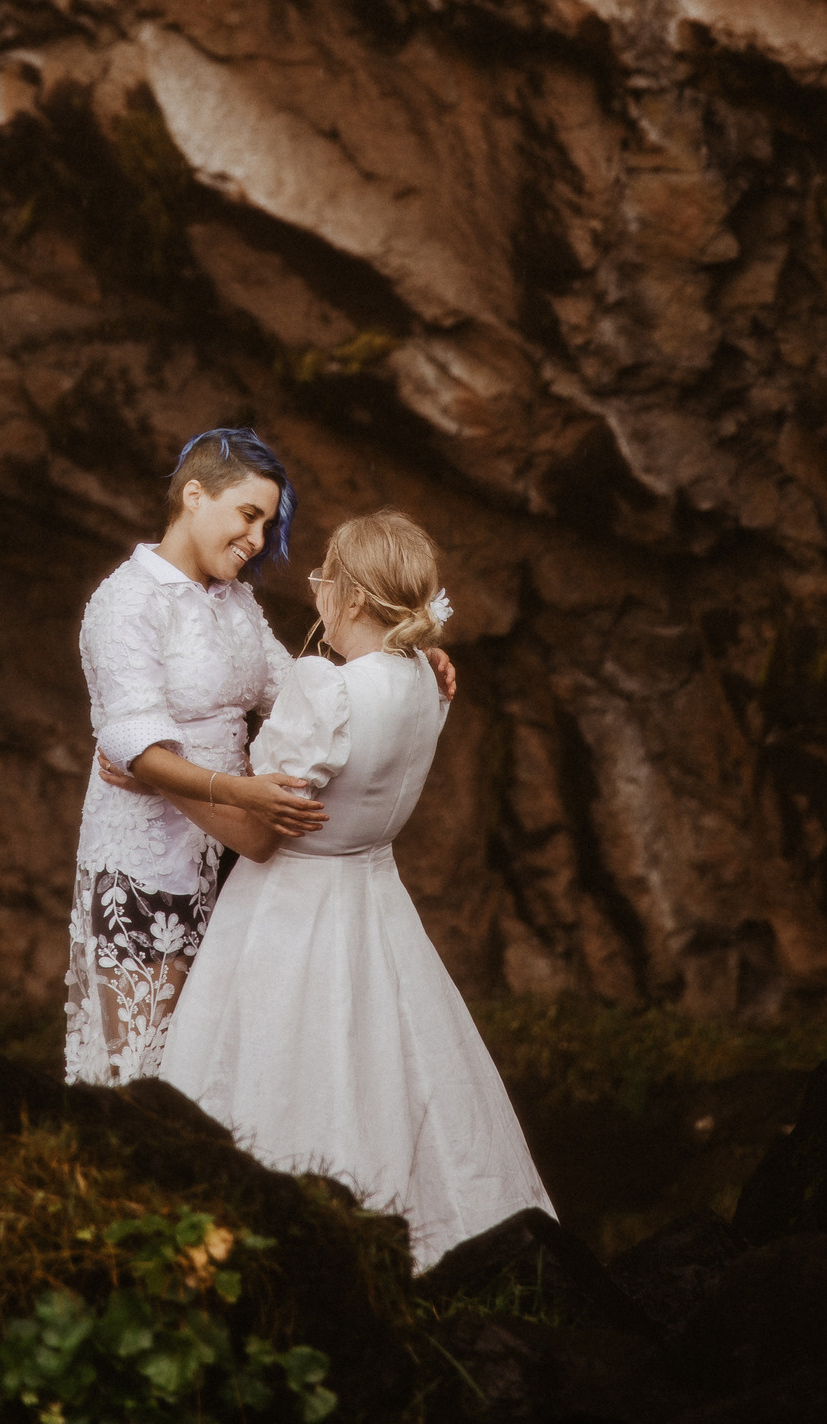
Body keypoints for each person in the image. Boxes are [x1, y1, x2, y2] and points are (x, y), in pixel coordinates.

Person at [154, 509, 555, 1272]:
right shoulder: (423, 680)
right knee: (389, 1065)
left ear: (357, 601)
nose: (317, 596)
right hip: (375, 898)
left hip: (289, 907)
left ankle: (282, 1253)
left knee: (279, 1071)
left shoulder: (324, 689)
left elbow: (259, 833)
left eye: (325, 581)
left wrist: (158, 776)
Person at [67, 434, 456, 1088]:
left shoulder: (236, 602)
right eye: (248, 515)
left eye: (268, 524)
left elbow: (298, 693)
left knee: (205, 1056)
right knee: (139, 1058)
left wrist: (401, 655)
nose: (257, 538)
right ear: (194, 495)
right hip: (149, 852)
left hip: (232, 849)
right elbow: (135, 753)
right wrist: (241, 794)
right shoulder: (125, 602)